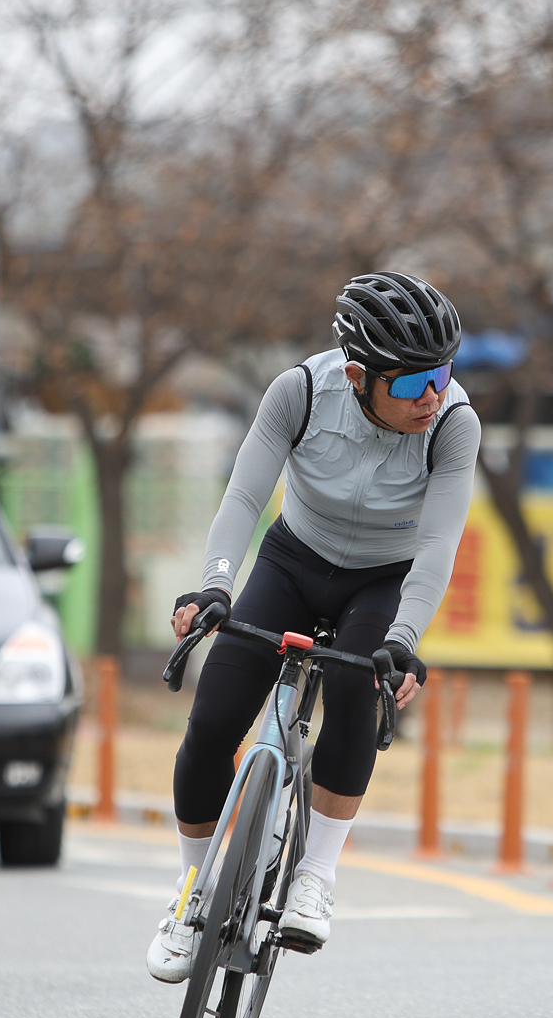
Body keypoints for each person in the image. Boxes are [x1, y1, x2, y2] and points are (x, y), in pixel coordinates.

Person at [148, 271, 480, 981]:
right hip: (292, 561)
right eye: (412, 381)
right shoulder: (299, 391)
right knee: (213, 720)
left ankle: (315, 876)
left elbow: (438, 546)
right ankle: (189, 894)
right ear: (358, 377)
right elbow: (244, 496)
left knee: (357, 690)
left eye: (444, 373)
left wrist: (403, 642)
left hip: (382, 580)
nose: (432, 395)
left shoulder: (454, 424)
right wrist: (215, 585)